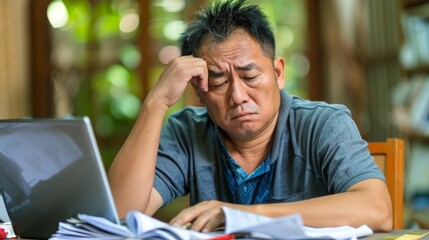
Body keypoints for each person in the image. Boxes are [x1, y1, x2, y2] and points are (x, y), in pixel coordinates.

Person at [108, 0, 392, 233]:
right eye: (218, 82)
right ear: (198, 91)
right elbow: (118, 215)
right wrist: (155, 103)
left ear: (278, 73)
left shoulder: (323, 124)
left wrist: (243, 215)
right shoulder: (187, 132)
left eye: (250, 76)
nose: (238, 96)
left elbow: (377, 210)